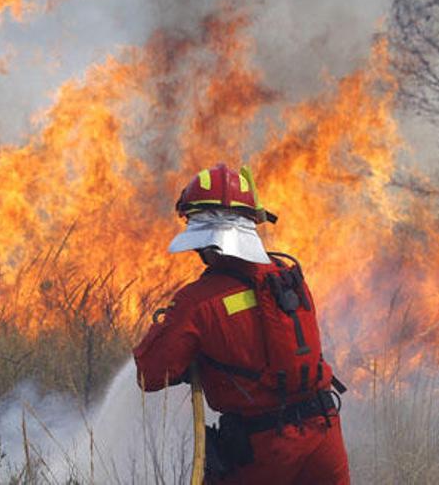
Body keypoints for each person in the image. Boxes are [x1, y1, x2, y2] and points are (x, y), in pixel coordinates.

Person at [133, 163, 350, 484]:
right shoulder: (288, 277)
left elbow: (149, 374)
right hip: (324, 434)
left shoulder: (197, 302)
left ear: (203, 240)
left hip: (263, 449)